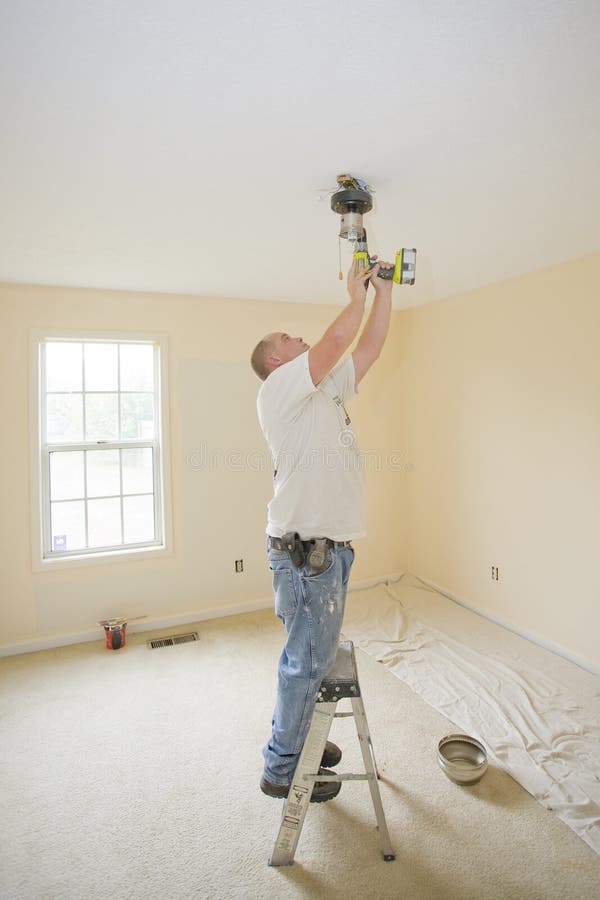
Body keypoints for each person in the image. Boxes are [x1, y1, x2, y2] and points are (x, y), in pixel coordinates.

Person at [250, 257, 394, 802]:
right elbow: (336, 340)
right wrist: (353, 298)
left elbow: (368, 349)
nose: (301, 338)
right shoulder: (279, 390)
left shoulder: (324, 391)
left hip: (325, 553)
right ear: (275, 359)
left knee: (310, 657)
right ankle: (283, 770)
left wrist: (381, 294)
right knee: (304, 664)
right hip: (305, 556)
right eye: (290, 337)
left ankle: (305, 735)